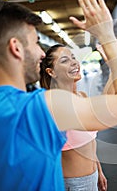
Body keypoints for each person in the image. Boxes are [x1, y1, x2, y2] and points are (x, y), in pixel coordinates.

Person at [0, 0, 117, 190]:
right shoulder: (43, 107)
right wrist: (106, 35)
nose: (41, 53)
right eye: (34, 43)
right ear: (16, 48)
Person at [40, 44, 107, 191]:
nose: (74, 62)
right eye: (65, 60)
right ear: (51, 72)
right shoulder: (54, 104)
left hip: (92, 176)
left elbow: (90, 144)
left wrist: (99, 171)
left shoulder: (81, 96)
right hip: (73, 184)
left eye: (73, 58)